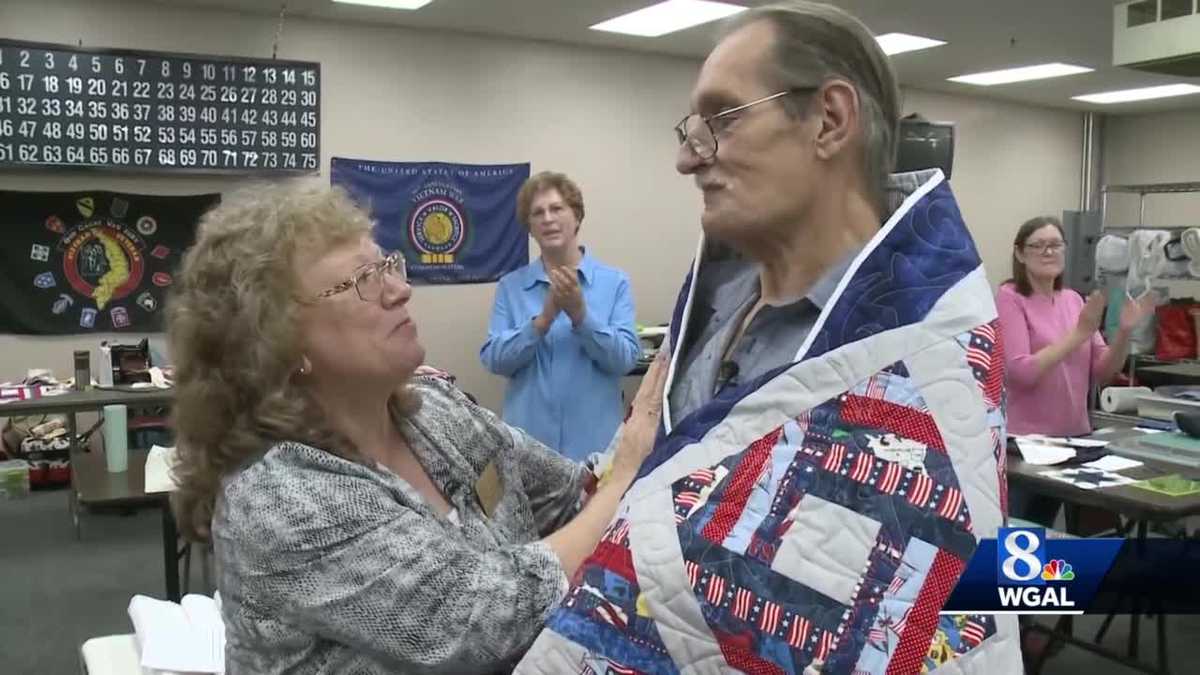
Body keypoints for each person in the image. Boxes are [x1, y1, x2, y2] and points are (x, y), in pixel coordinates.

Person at [518, 3, 1020, 673]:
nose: (686, 158)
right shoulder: (712, 306)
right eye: (692, 127)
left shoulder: (923, 359)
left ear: (829, 120)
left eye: (721, 118)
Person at [166, 180, 668, 674]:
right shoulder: (279, 498)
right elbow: (489, 619)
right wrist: (624, 472)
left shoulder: (435, 411)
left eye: (388, 266)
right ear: (277, 342)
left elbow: (569, 494)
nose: (401, 290)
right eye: (364, 279)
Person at [480, 171, 640, 461]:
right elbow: (494, 360)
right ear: (529, 227)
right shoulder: (510, 287)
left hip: (597, 451)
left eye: (557, 208)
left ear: (577, 216)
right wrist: (542, 322)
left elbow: (625, 361)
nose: (548, 218)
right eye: (537, 213)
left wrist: (581, 316)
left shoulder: (615, 283)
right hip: (529, 453)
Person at [997, 215, 1155, 437]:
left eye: (1055, 245)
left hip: (1076, 435)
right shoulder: (1010, 298)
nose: (1048, 252)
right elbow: (1020, 374)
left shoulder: (1073, 300)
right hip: (1027, 441)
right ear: (1020, 254)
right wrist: (1080, 333)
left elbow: (1104, 372)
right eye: (1037, 246)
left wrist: (1124, 332)